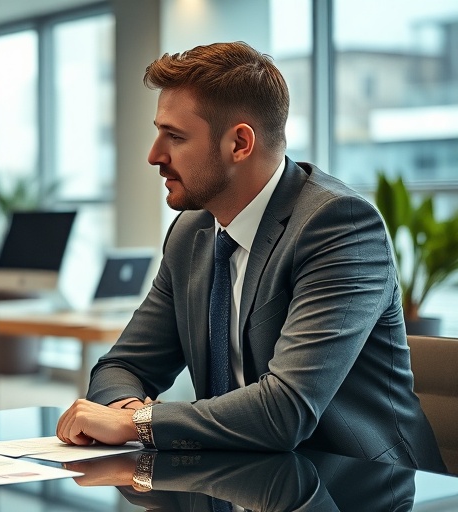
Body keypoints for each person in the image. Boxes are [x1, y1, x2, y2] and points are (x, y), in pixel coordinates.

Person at [56, 41, 445, 471]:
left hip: (357, 482)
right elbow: (122, 366)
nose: (154, 156)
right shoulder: (191, 233)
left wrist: (138, 424)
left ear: (240, 143)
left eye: (175, 137)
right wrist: (127, 410)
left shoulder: (339, 226)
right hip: (240, 478)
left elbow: (285, 410)